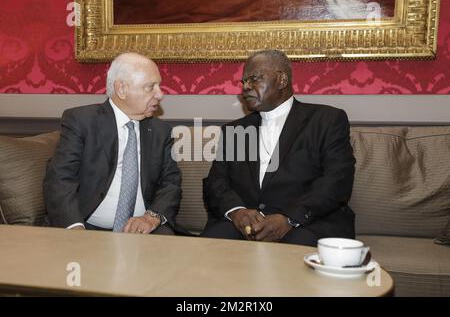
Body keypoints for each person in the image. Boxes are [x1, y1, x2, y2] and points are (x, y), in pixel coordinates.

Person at [201, 49, 356, 246]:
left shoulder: (326, 120)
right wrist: (237, 212)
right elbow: (216, 182)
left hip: (308, 222)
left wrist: (289, 218)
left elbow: (337, 181)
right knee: (208, 247)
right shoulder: (235, 130)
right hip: (245, 225)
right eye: (243, 82)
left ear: (282, 80)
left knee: (295, 252)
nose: (245, 87)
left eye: (254, 79)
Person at [43, 52, 181, 235]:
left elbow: (170, 183)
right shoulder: (82, 121)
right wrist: (75, 228)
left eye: (159, 86)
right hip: (85, 226)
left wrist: (152, 217)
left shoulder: (160, 132)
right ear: (121, 89)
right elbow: (60, 177)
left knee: (167, 250)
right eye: (150, 87)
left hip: (145, 229)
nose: (160, 94)